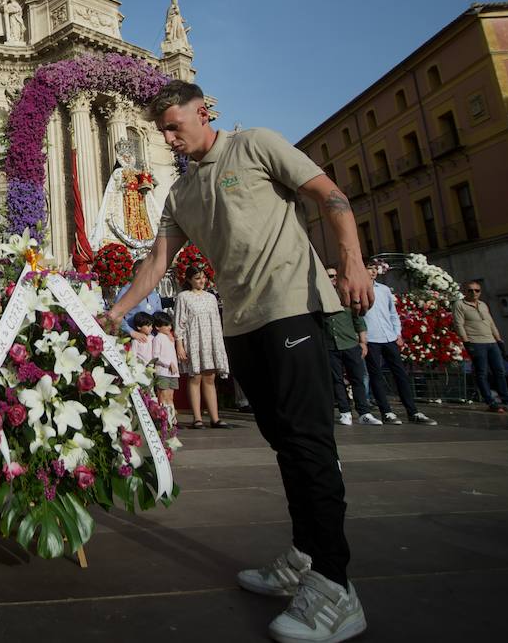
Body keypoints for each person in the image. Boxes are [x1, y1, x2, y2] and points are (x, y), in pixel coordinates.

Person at [101, 81, 368, 643]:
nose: (169, 138)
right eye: (163, 131)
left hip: (294, 307)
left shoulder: (257, 145)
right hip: (242, 321)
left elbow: (332, 197)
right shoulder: (179, 195)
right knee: (283, 441)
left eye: (176, 126)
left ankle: (336, 587)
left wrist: (352, 263)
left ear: (205, 113)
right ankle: (304, 554)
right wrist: (116, 310)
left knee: (308, 442)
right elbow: (156, 262)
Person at [361, 262, 437, 425]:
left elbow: (392, 313)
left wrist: (397, 333)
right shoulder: (359, 289)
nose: (373, 272)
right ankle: (386, 412)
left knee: (400, 374)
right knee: (376, 375)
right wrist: (361, 338)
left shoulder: (384, 289)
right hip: (371, 338)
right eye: (370, 268)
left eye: (375, 269)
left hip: (389, 337)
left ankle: (413, 411)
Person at [452, 280, 508, 412]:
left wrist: (499, 340)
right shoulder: (460, 304)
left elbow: (491, 322)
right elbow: (459, 324)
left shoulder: (483, 305)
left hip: (491, 341)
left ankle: (507, 400)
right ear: (464, 292)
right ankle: (490, 401)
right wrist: (466, 342)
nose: (474, 293)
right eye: (470, 290)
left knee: (500, 371)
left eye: (477, 290)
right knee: (482, 373)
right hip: (475, 341)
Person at [174, 269, 231, 429]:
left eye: (203, 278)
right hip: (194, 340)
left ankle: (215, 417)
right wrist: (180, 344)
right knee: (195, 377)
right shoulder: (183, 297)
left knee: (210, 378)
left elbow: (216, 321)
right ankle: (197, 418)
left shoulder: (211, 297)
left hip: (211, 340)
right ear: (190, 280)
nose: (201, 281)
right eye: (197, 278)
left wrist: (218, 344)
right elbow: (179, 322)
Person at [323, 267, 377, 426]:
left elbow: (358, 319)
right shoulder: (320, 297)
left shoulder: (346, 295)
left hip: (350, 343)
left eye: (334, 276)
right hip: (331, 345)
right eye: (328, 276)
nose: (332, 279)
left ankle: (364, 412)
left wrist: (363, 342)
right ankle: (344, 412)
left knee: (357, 378)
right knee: (336, 380)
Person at [149, 311, 184, 421]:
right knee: (163, 396)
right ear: (158, 327)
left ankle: (171, 419)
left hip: (172, 373)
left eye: (170, 325)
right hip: (163, 372)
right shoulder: (157, 339)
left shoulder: (169, 338)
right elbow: (156, 356)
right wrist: (168, 364)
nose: (169, 327)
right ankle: (164, 419)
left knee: (170, 397)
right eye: (166, 325)